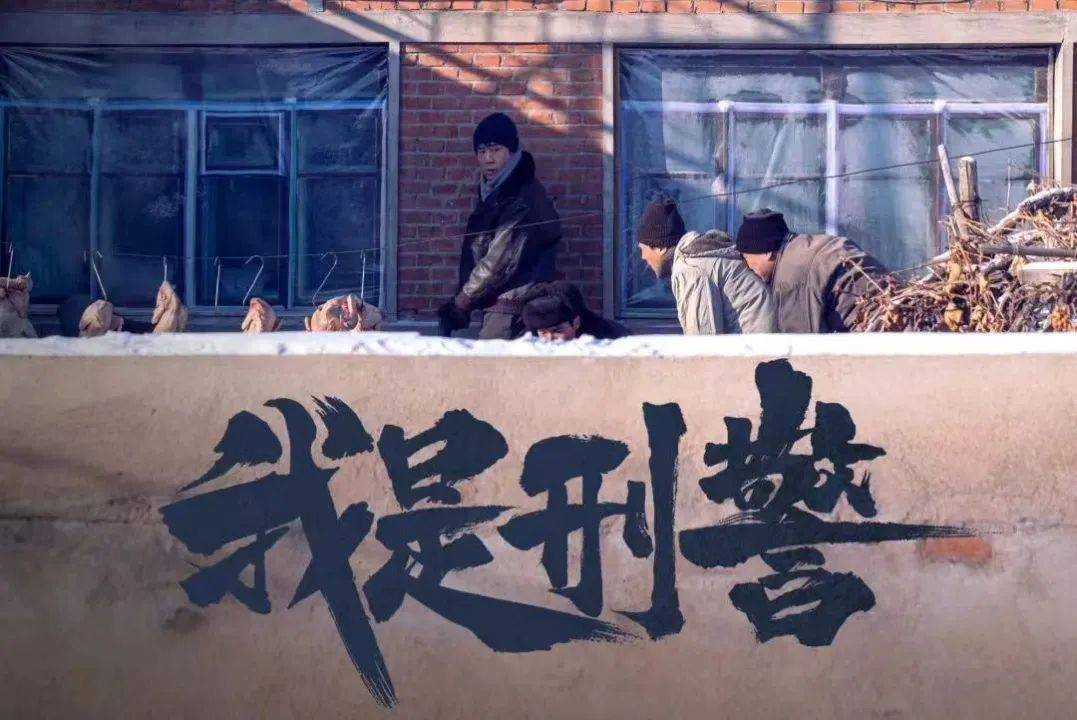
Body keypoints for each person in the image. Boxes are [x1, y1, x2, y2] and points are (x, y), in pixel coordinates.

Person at [437, 112, 561, 339]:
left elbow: (500, 262)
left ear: (512, 151)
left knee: (489, 359)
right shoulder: (495, 191)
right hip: (499, 304)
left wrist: (461, 302)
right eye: (481, 151)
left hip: (514, 307)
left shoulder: (522, 198)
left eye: (495, 150)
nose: (488, 159)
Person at [635, 199, 776, 335]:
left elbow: (703, 341)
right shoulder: (698, 255)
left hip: (756, 346)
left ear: (659, 248)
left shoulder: (690, 269)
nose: (642, 257)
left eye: (643, 248)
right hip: (762, 340)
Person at [734, 208, 887, 333]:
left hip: (877, 331)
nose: (747, 266)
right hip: (893, 307)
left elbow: (802, 345)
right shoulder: (806, 247)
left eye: (746, 257)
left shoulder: (790, 275)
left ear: (767, 252)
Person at [521, 281, 630, 341]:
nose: (550, 339)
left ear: (576, 323)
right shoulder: (527, 342)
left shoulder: (611, 338)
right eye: (543, 332)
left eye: (558, 331)